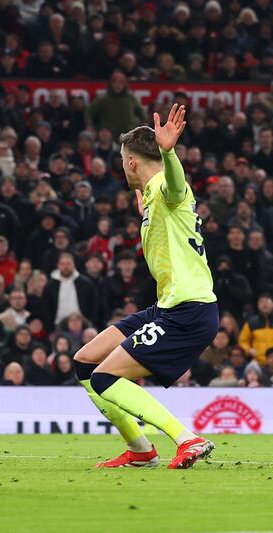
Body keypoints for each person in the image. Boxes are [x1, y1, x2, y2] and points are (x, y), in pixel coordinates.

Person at [74, 104, 218, 469]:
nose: (122, 166)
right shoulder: (154, 201)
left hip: (189, 309)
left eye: (123, 159)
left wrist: (169, 153)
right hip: (168, 306)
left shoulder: (168, 188)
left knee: (106, 377)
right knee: (86, 361)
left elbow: (175, 185)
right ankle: (140, 450)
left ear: (133, 161)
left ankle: (188, 439)